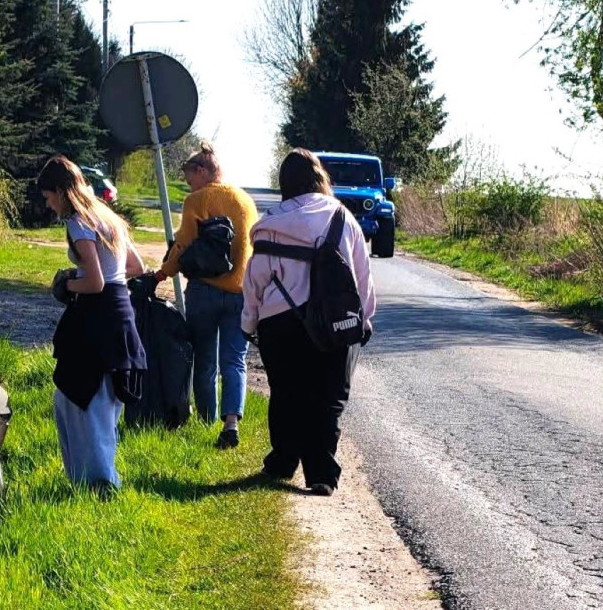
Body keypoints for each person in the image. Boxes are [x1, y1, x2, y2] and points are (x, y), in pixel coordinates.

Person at [242, 148, 376, 497]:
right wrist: (364, 318)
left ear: (284, 183)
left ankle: (284, 461)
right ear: (320, 178)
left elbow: (255, 279)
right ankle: (321, 473)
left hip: (279, 323)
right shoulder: (343, 219)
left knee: (286, 393)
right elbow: (361, 274)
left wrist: (249, 320)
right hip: (334, 322)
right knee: (328, 397)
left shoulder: (269, 225)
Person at [38, 156, 147, 495]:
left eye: (48, 196)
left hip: (96, 318)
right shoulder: (108, 217)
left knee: (83, 400)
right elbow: (136, 266)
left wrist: (67, 282)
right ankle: (91, 481)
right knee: (97, 403)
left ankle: (100, 484)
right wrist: (90, 275)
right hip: (121, 315)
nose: (48, 203)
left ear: (60, 191)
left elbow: (96, 283)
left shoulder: (78, 222)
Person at [155, 142, 259, 449]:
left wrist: (163, 273)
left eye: (189, 178)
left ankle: (205, 421)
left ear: (201, 171)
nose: (189, 184)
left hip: (204, 290)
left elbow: (184, 243)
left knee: (204, 359)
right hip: (240, 292)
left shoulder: (197, 200)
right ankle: (231, 423)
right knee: (235, 360)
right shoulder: (245, 201)